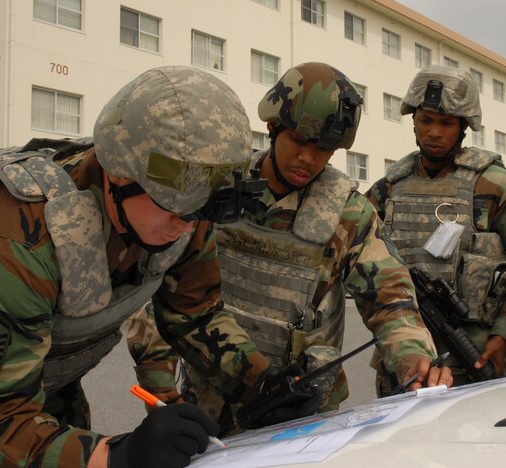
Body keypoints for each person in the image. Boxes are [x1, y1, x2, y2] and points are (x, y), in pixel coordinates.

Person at [0, 66, 259, 468]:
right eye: (176, 208)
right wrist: (122, 456)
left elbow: (195, 314)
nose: (187, 225)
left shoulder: (180, 212)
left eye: (200, 210)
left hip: (46, 382)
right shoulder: (16, 234)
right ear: (117, 177)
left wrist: (262, 380)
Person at [126, 62, 451, 434]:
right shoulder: (215, 190)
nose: (308, 159)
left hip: (302, 414)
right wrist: (161, 389)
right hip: (208, 403)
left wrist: (415, 361)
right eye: (299, 141)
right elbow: (158, 291)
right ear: (273, 127)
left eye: (324, 148)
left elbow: (391, 300)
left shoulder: (347, 214)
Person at [365, 65, 506, 390]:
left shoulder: (496, 185)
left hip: (476, 356)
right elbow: (359, 264)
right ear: (413, 121)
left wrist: (503, 334)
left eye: (446, 123)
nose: (434, 132)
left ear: (464, 127)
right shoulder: (389, 188)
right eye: (425, 120)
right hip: (407, 367)